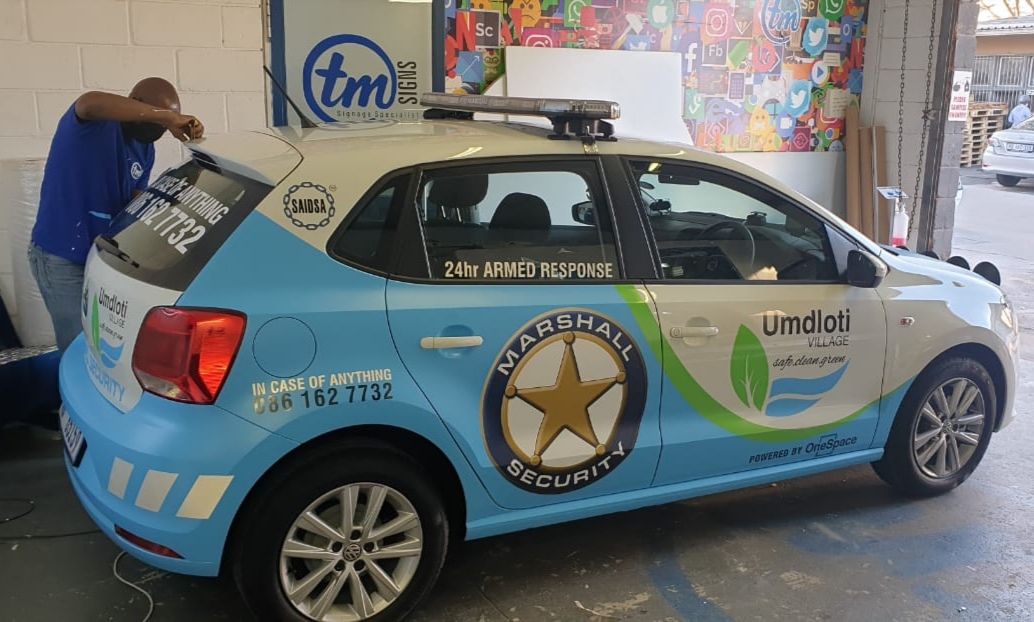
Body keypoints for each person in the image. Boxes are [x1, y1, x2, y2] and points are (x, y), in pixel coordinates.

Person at [27, 77, 204, 352]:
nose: (159, 128)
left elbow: (132, 200)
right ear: (135, 104)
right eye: (156, 120)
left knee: (99, 347)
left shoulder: (144, 149)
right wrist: (167, 117)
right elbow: (88, 103)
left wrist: (175, 193)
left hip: (99, 257)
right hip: (61, 256)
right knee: (78, 350)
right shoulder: (95, 124)